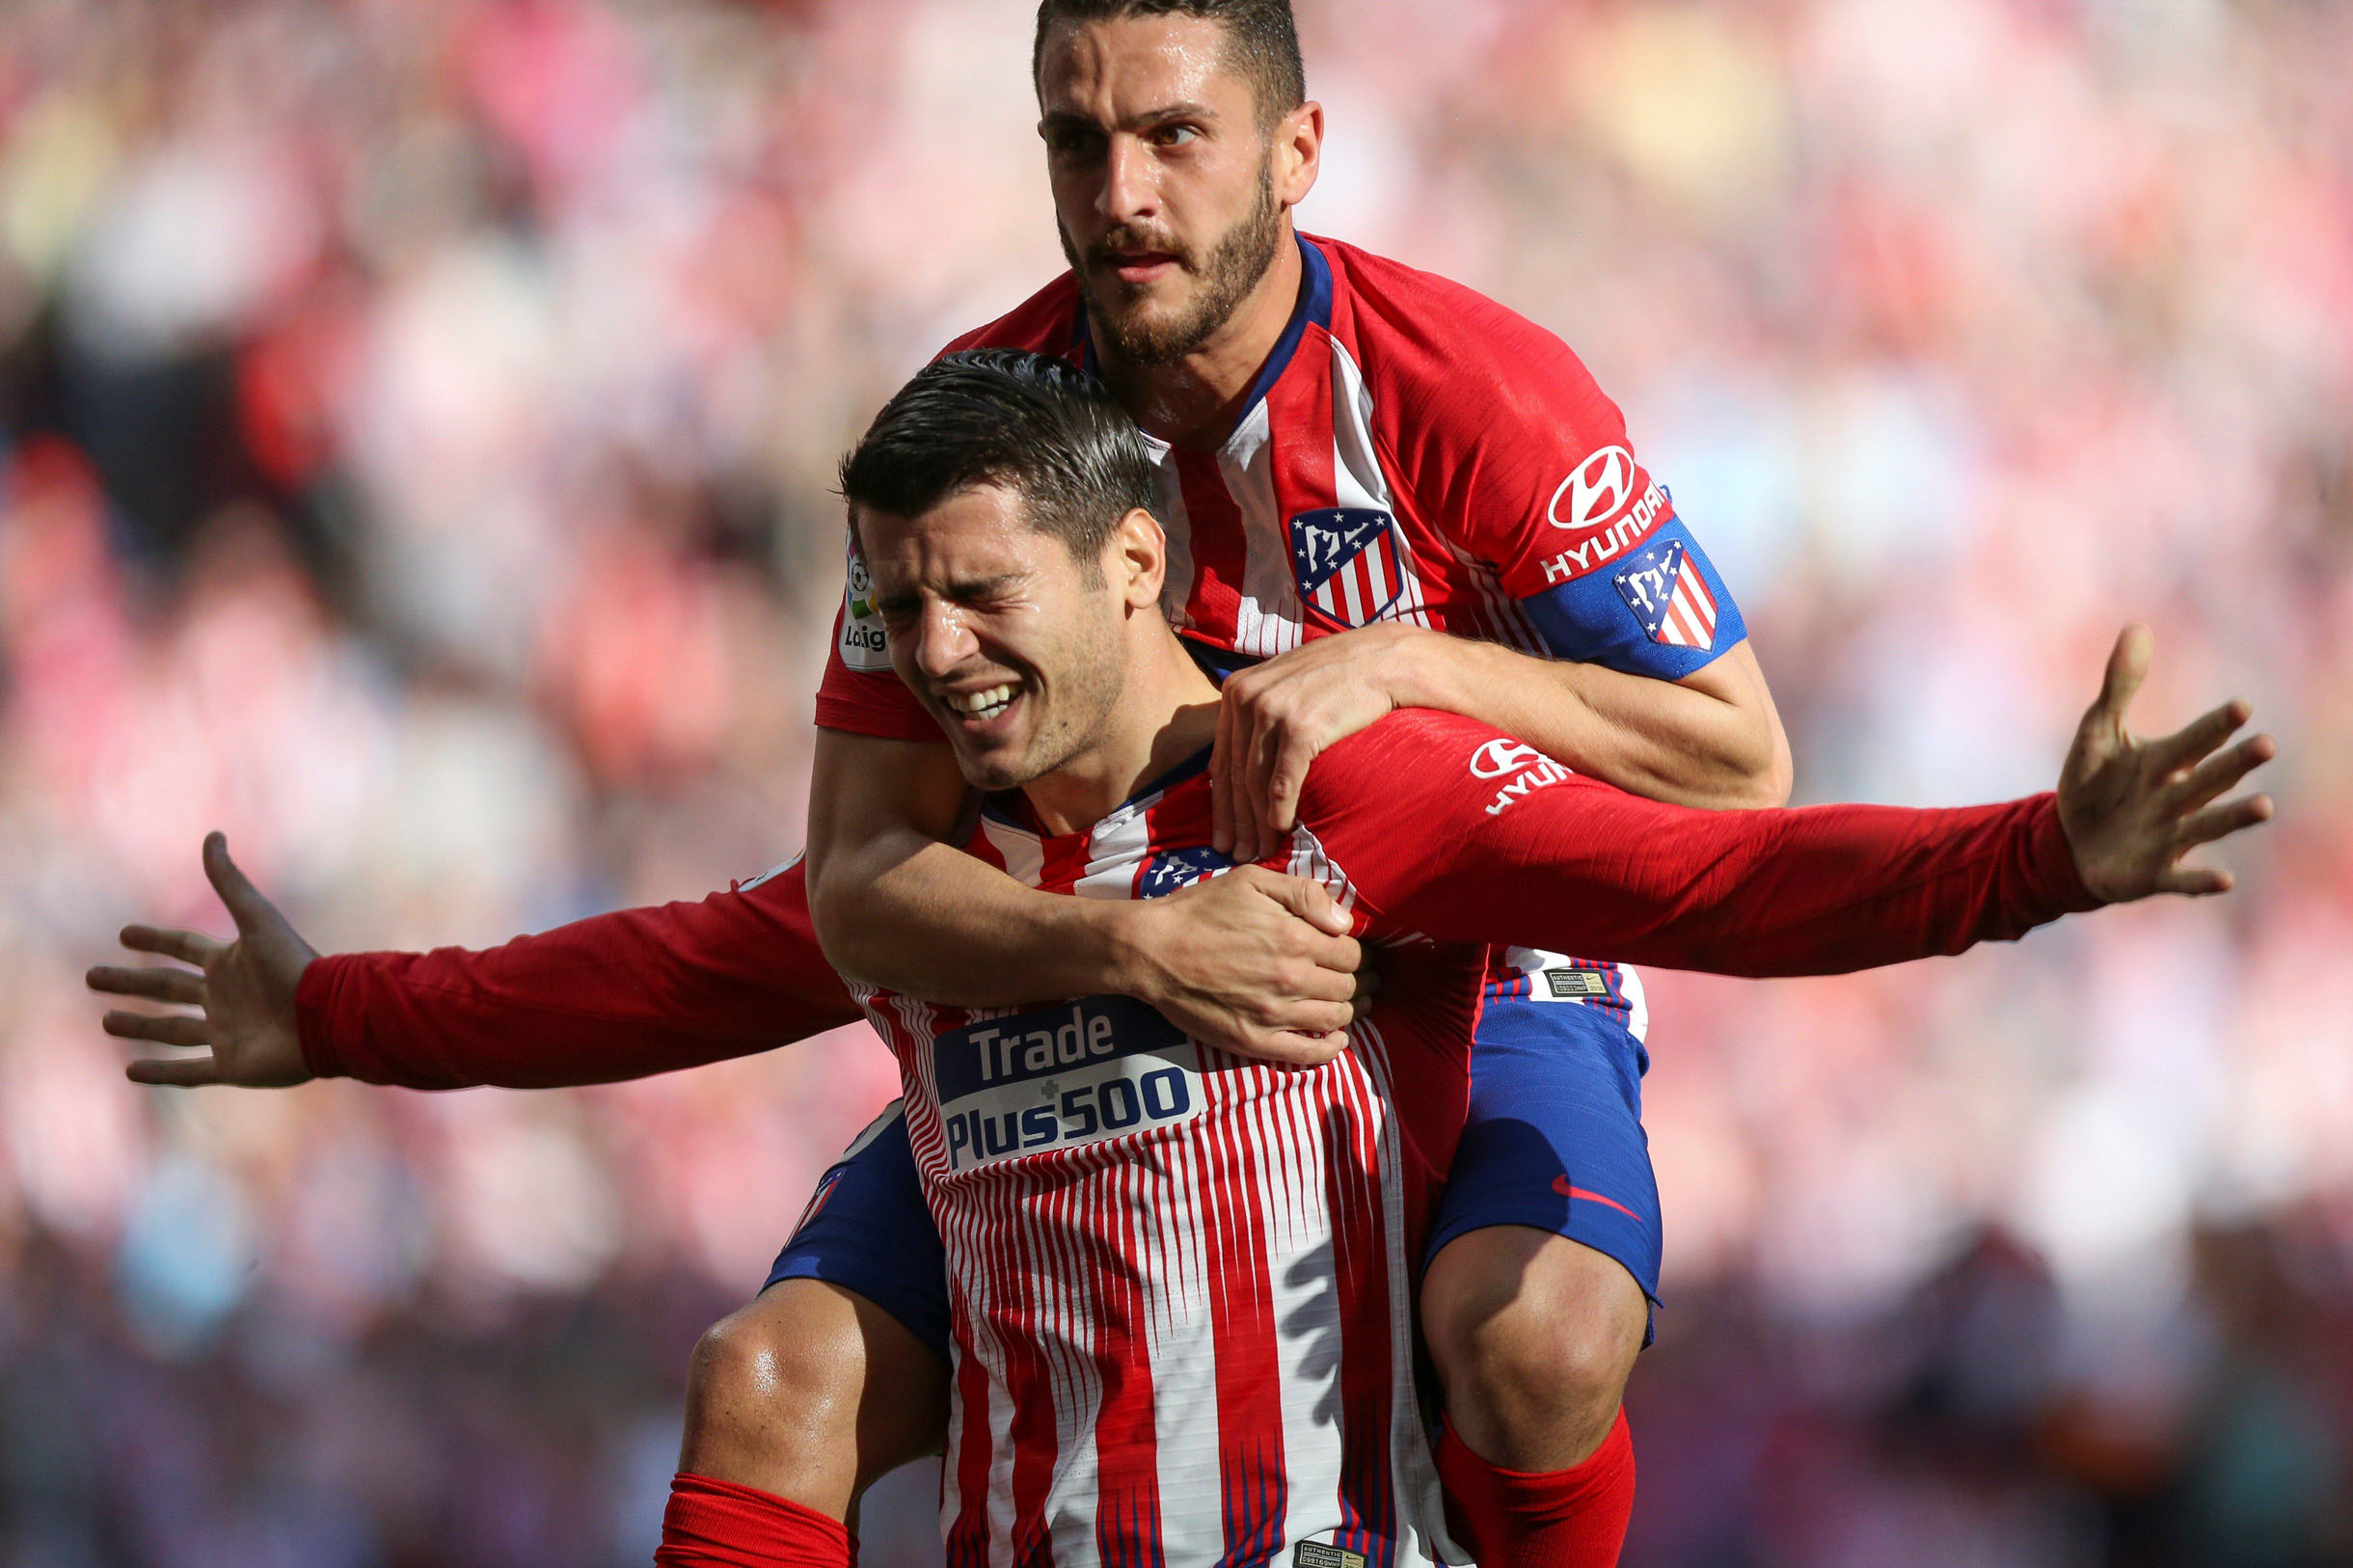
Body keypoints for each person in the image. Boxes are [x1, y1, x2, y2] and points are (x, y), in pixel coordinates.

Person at [78, 0, 1922, 1558]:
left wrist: (1416, 666)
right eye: (1075, 139)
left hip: (1454, 943)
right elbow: (854, 888)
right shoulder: (976, 434)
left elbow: (1735, 758)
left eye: (1176, 138)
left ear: (1297, 151)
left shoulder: (1465, 389)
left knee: (1531, 1337)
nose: (1119, 197)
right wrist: (1141, 950)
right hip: (1093, 966)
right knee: (766, 1381)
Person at [685, 349, 2270, 1565]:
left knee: (1542, 1334)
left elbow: (1717, 867)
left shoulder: (1345, 770)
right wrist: (419, 1022)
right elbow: (646, 972)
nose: (940, 649)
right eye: (905, 610)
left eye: (977, 592)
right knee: (760, 1373)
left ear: (1135, 566)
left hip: (1331, 1513)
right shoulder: (916, 893)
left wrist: (2037, 856)